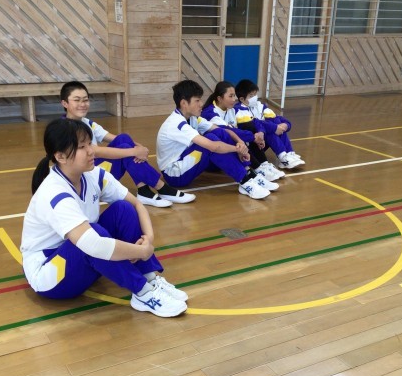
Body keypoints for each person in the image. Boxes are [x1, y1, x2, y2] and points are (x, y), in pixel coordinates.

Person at [20, 118, 187, 318]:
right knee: (94, 236)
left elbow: (137, 204)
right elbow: (93, 244)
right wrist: (141, 251)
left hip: (81, 254)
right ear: (61, 156)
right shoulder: (54, 193)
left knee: (123, 209)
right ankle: (143, 292)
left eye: (89, 143)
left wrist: (148, 240)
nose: (91, 151)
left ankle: (150, 278)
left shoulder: (93, 175)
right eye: (82, 147)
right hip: (50, 274)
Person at [60, 81, 195, 208]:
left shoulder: (86, 122)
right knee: (126, 150)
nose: (82, 104)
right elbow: (96, 151)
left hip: (95, 168)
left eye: (85, 100)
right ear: (65, 103)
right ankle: (161, 187)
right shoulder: (66, 129)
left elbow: (114, 138)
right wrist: (134, 152)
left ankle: (144, 190)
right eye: (77, 100)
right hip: (86, 177)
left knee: (124, 139)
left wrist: (138, 147)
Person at [156, 79, 279, 200]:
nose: (201, 104)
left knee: (218, 133)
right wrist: (238, 149)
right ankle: (245, 181)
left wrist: (240, 143)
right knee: (210, 141)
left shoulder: (193, 118)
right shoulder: (177, 124)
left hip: (188, 160)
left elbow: (223, 130)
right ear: (184, 103)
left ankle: (249, 173)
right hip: (175, 175)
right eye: (197, 100)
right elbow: (214, 146)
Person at [201, 81, 285, 182]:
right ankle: (257, 168)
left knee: (249, 126)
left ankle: (263, 164)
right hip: (214, 158)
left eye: (234, 96)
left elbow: (254, 121)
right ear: (219, 98)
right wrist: (253, 137)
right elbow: (229, 131)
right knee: (230, 136)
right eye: (230, 96)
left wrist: (260, 132)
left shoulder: (233, 109)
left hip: (232, 151)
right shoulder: (209, 113)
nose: (234, 99)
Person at [234, 79, 306, 170]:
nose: (255, 98)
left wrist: (286, 125)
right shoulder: (239, 109)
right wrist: (274, 128)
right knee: (270, 131)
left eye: (255, 94)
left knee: (278, 126)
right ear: (241, 99)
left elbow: (274, 117)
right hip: (252, 144)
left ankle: (289, 153)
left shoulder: (260, 106)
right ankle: (283, 157)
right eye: (251, 96)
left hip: (262, 142)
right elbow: (254, 123)